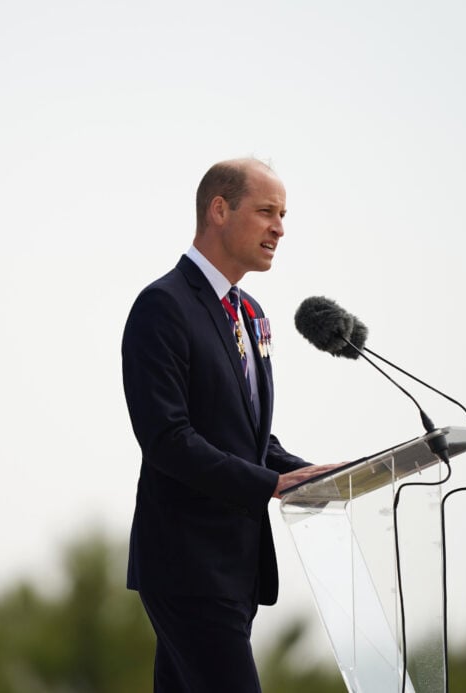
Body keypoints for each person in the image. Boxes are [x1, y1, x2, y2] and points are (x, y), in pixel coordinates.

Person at [121, 157, 341, 691]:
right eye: (266, 211)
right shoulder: (163, 306)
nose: (280, 228)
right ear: (219, 210)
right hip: (188, 566)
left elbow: (247, 439)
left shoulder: (250, 312)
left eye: (283, 214)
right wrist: (270, 484)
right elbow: (167, 439)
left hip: (235, 568)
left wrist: (312, 473)